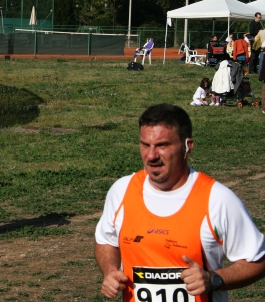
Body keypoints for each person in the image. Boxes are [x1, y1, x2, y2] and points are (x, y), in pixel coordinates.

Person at [95, 104, 265, 302]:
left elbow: (258, 261)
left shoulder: (217, 199)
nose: (151, 156)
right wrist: (109, 270)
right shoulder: (122, 191)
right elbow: (106, 240)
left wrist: (214, 279)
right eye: (145, 144)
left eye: (162, 145)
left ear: (187, 147)